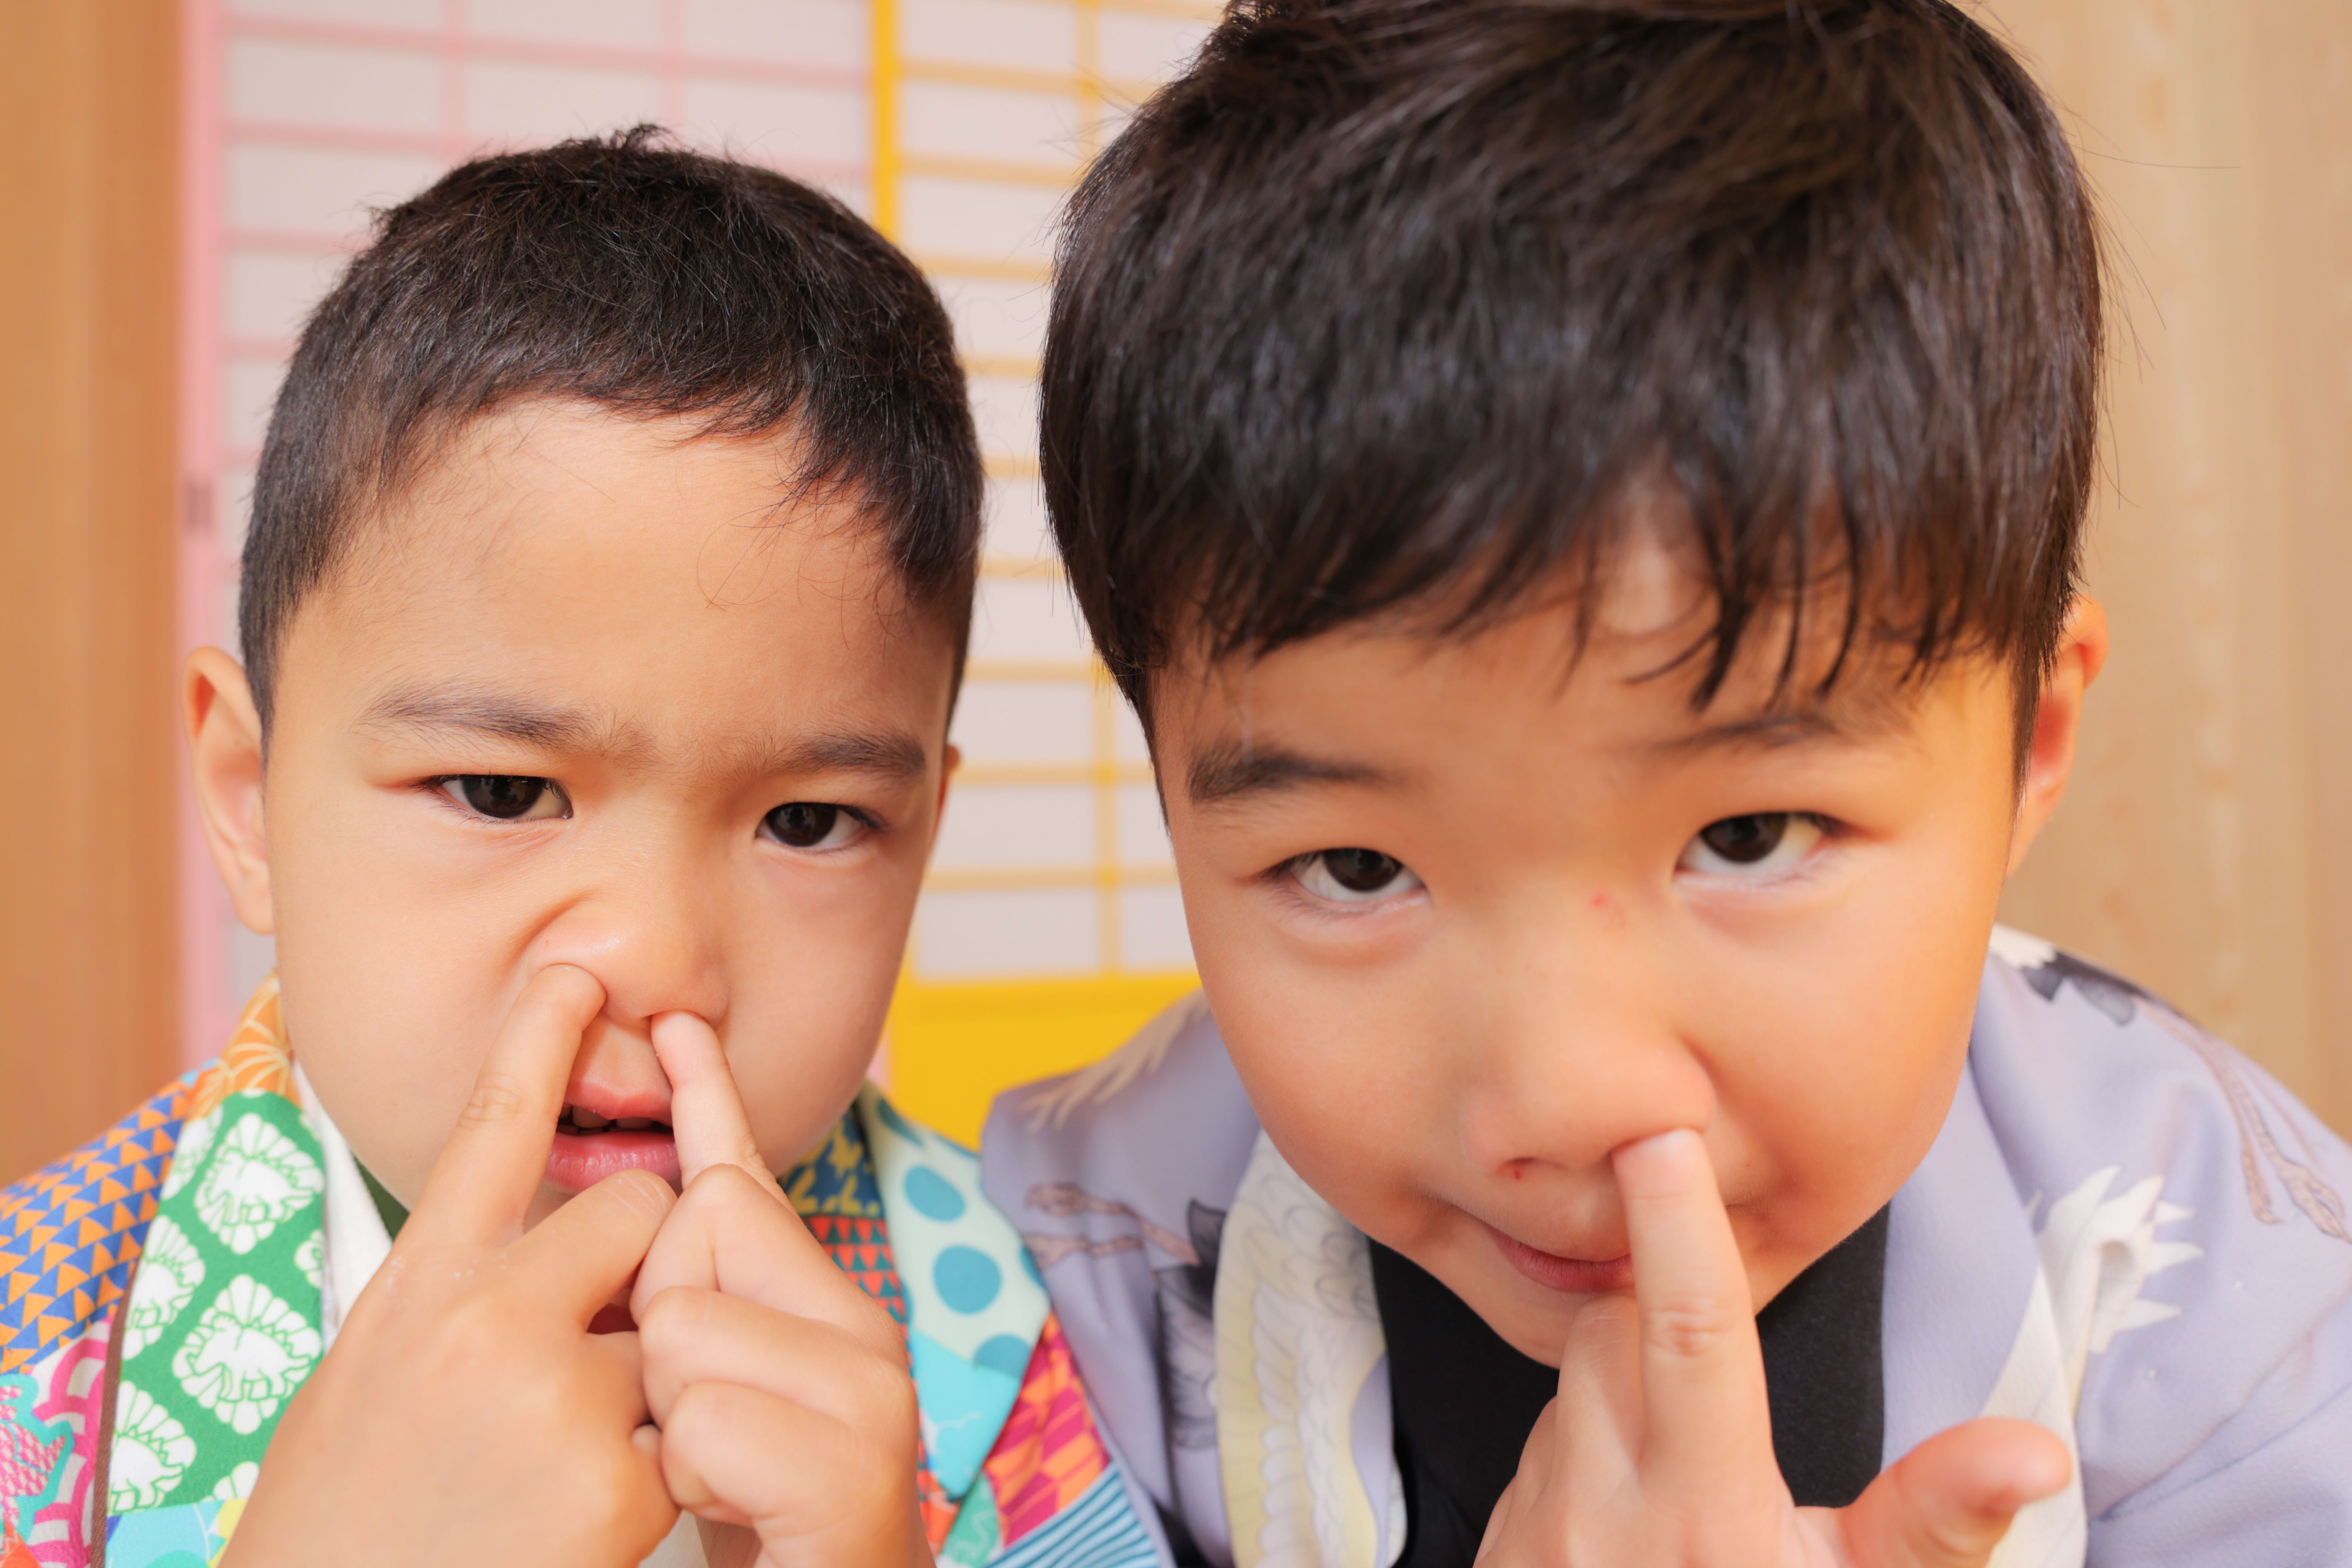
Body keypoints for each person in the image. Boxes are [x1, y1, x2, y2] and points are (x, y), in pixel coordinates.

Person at [982, 4, 2352, 1566]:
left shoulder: (2242, 1299)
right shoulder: (1069, 1263)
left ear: (2029, 748)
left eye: (1748, 835)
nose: (1567, 1099)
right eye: (1354, 867)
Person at [0, 132, 1152, 1568]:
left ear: (919, 841)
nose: (657, 953)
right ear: (248, 799)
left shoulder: (1012, 1324)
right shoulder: (43, 1342)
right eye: (497, 790)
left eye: (808, 822)